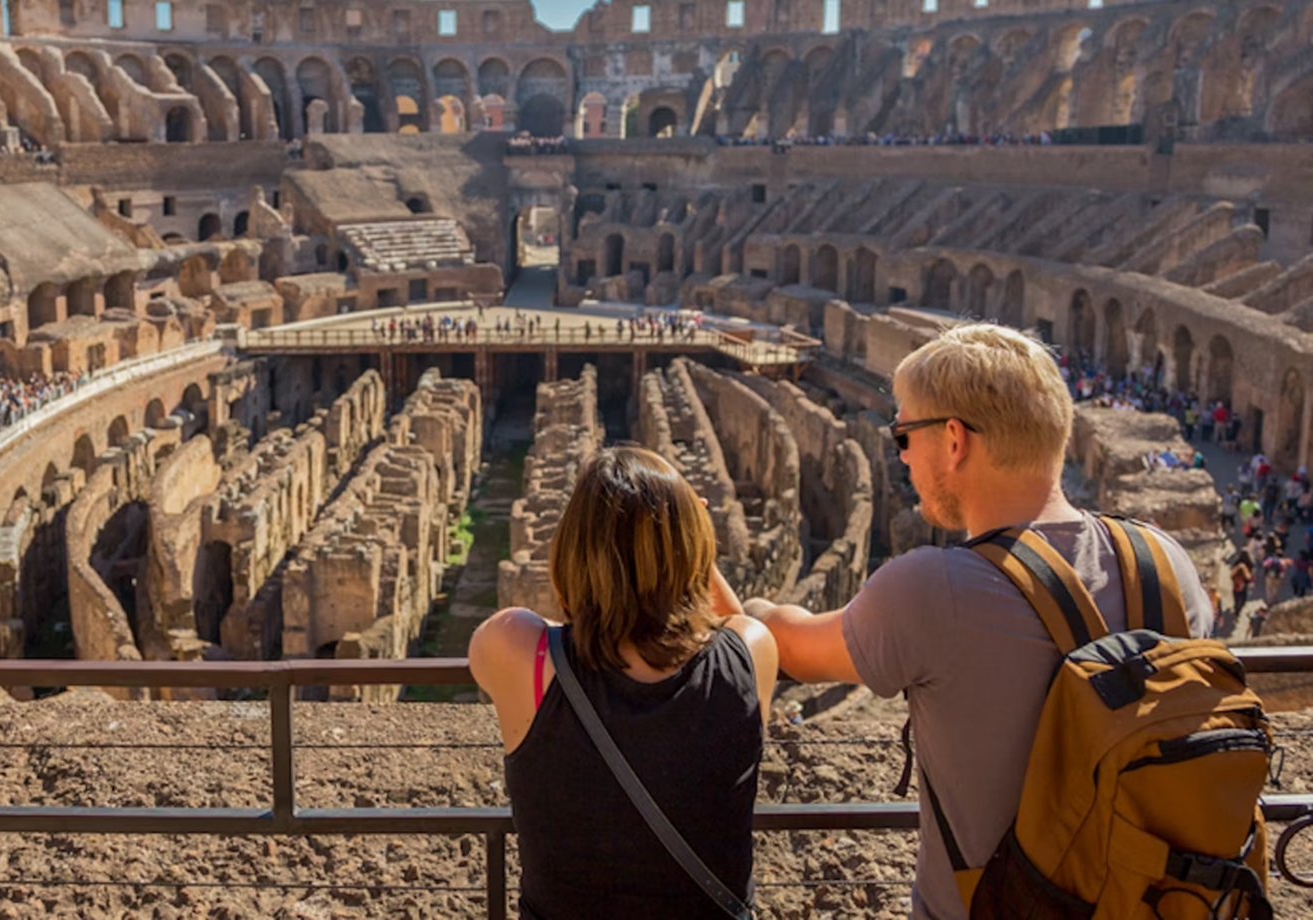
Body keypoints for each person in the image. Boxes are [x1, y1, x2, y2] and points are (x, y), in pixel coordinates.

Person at [744, 323, 1211, 920]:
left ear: (955, 441)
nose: (903, 457)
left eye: (904, 436)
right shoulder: (1167, 564)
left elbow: (791, 648)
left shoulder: (932, 588)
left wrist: (730, 598)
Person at [469, 446, 778, 920]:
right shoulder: (753, 650)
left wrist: (595, 595)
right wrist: (697, 551)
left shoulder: (515, 648)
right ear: (691, 549)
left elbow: (509, 643)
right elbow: (731, 626)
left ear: (573, 548)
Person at [1231, 550, 1254, 623]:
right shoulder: (1249, 563)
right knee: (1243, 599)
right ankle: (1239, 609)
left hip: (1236, 587)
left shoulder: (1237, 563)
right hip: (1244, 587)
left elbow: (1232, 575)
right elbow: (1249, 577)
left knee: (1236, 599)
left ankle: (1236, 609)